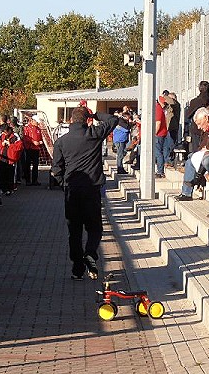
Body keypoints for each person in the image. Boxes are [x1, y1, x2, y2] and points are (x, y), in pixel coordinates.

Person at [51, 107, 120, 280]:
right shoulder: (94, 134)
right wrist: (97, 115)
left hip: (72, 191)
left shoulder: (62, 141)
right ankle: (90, 252)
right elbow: (113, 120)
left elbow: (56, 169)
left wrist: (64, 185)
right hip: (91, 190)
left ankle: (77, 268)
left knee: (74, 231)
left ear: (71, 120)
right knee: (95, 228)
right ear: (87, 120)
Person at [174, 107, 209, 201]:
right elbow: (206, 142)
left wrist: (207, 148)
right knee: (191, 158)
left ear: (206, 118)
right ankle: (186, 192)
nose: (199, 127)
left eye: (199, 124)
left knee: (206, 160)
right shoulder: (208, 126)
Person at [185, 81, 209, 152]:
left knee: (197, 150)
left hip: (196, 128)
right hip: (207, 127)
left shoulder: (195, 101)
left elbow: (188, 115)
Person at [0, 125, 22, 195]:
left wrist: (10, 145)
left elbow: (19, 147)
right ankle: (3, 188)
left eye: (5, 132)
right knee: (1, 174)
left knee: (11, 175)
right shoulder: (2, 136)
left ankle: (10, 188)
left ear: (9, 131)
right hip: (3, 157)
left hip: (11, 159)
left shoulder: (15, 137)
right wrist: (2, 144)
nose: (4, 134)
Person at [22, 115, 44, 185]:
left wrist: (40, 141)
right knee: (27, 165)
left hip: (36, 149)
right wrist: (33, 141)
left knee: (35, 165)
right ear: (32, 121)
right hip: (29, 148)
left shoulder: (38, 129)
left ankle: (35, 180)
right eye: (36, 122)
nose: (37, 123)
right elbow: (25, 138)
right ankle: (28, 180)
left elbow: (40, 137)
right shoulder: (27, 128)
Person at [112, 111, 131, 175]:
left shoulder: (121, 121)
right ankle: (120, 168)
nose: (129, 118)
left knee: (122, 154)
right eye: (129, 117)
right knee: (120, 155)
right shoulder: (121, 121)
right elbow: (127, 129)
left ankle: (120, 168)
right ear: (125, 116)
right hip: (120, 140)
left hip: (121, 140)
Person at [154, 97, 168, 178]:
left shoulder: (158, 109)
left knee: (158, 153)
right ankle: (160, 170)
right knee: (159, 152)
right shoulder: (159, 109)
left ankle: (160, 171)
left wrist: (154, 134)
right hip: (161, 133)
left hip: (159, 134)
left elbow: (158, 123)